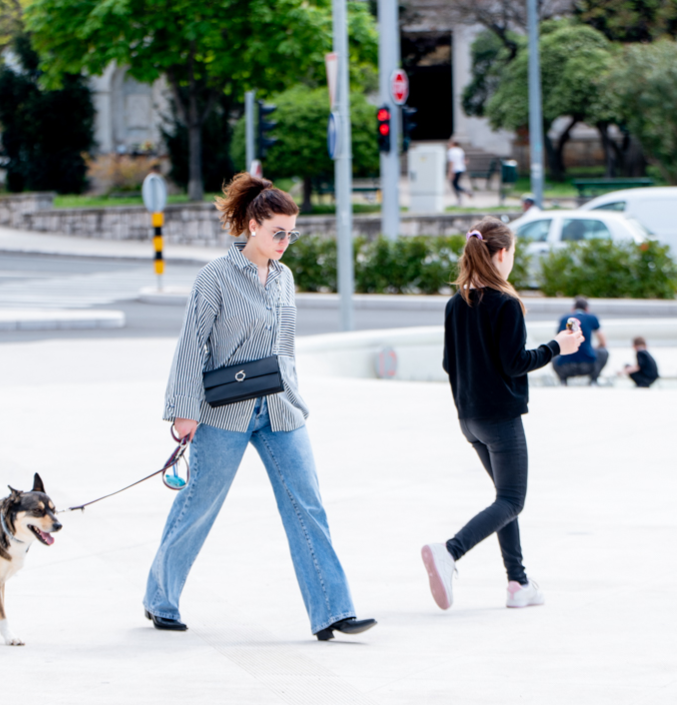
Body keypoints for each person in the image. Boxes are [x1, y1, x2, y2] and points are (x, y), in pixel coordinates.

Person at [144, 172, 377, 642]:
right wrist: (183, 410)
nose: (285, 241)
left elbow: (285, 347)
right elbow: (193, 346)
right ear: (253, 224)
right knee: (198, 505)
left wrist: (294, 394)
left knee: (306, 505)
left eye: (291, 233)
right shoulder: (214, 277)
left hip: (279, 410)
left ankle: (333, 611)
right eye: (278, 232)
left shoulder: (285, 278)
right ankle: (160, 599)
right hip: (223, 411)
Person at [424, 217, 583, 611]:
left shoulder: (454, 303)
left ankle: (518, 583)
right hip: (499, 419)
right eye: (512, 253)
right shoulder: (506, 303)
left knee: (503, 499)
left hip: (469, 419)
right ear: (501, 254)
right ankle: (449, 550)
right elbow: (515, 363)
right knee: (512, 500)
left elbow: (449, 363)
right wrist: (557, 347)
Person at [552, 297, 608, 385]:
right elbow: (603, 342)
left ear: (573, 308)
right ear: (587, 309)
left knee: (553, 351)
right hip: (588, 365)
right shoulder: (592, 318)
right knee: (604, 352)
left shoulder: (565, 319)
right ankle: (593, 380)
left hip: (566, 366)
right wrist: (594, 348)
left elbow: (556, 340)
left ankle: (563, 380)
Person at [447, 139, 472, 206]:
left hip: (455, 169)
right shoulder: (460, 150)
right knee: (456, 184)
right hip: (461, 169)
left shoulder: (451, 151)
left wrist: (450, 172)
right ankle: (464, 193)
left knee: (454, 184)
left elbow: (451, 162)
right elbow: (464, 160)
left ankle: (461, 196)